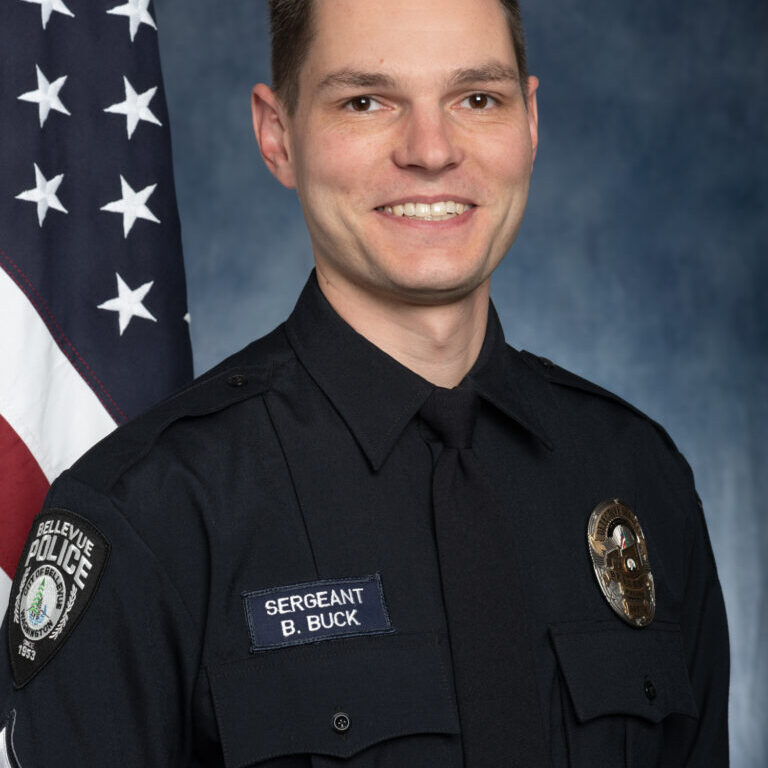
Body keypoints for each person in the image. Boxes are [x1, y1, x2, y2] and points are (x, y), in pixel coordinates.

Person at [0, 0, 729, 765]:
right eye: (367, 101)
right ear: (277, 135)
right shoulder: (150, 515)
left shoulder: (639, 476)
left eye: (477, 99)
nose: (431, 150)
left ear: (531, 121)